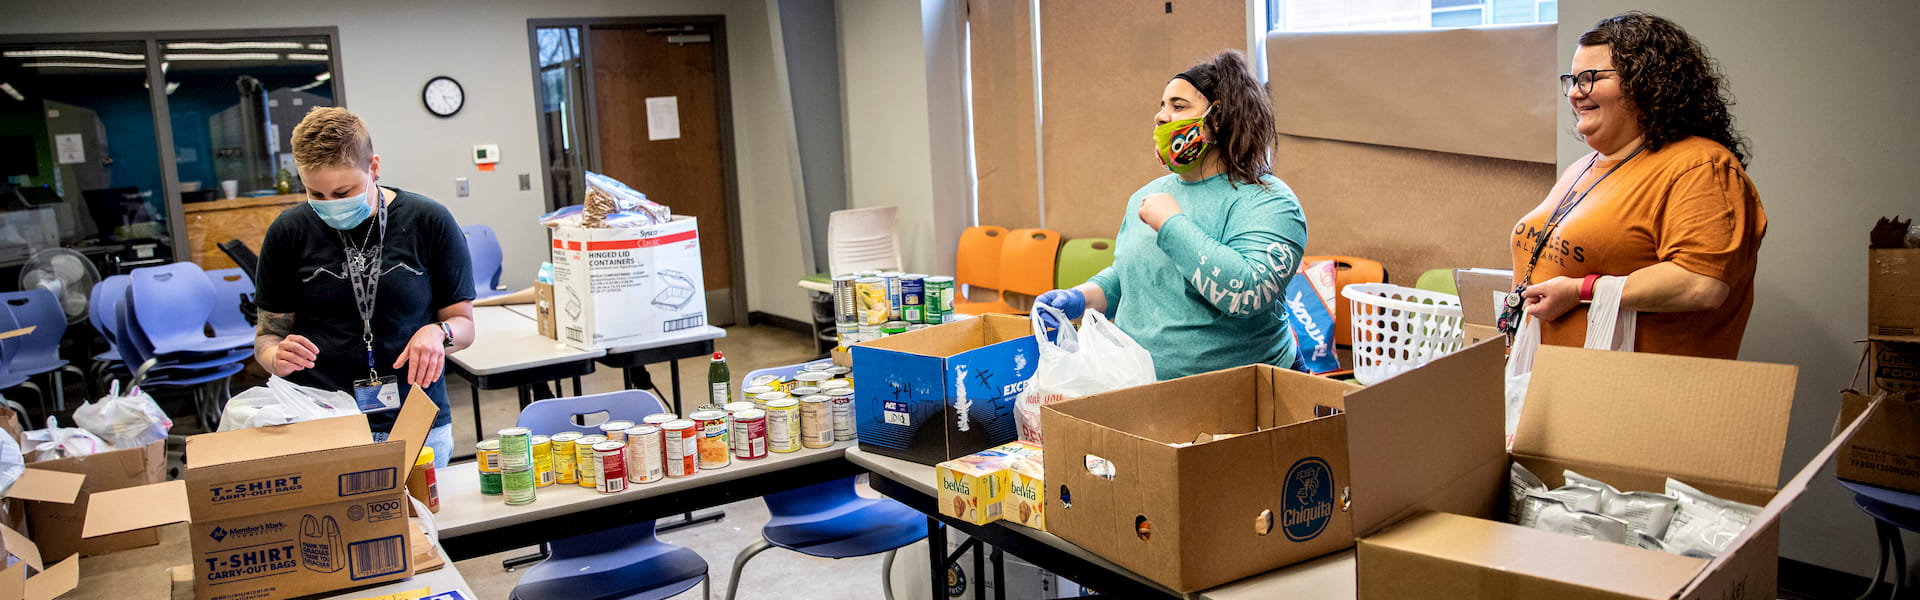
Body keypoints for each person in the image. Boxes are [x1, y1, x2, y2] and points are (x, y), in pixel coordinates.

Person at [1507, 12, 1766, 359]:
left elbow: (1702, 284)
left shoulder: (1702, 167)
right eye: (1572, 79)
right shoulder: (1581, 169)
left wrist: (1580, 290)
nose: (1575, 94)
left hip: (1639, 398)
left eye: (1590, 78)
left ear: (1647, 81)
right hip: (1552, 387)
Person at [1034, 50, 1306, 380]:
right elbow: (1128, 277)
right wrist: (1079, 298)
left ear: (1217, 119)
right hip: (1150, 389)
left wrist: (1172, 225)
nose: (1160, 117)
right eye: (1163, 106)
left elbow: (1246, 294)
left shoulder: (1268, 201)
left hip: (1248, 394)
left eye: (1178, 106)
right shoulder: (1148, 195)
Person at [253, 107, 476, 467]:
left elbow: (464, 327)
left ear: (374, 167)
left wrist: (438, 332)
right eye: (316, 194)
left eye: (344, 191)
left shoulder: (428, 221)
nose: (331, 205)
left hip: (416, 422)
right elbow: (266, 336)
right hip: (323, 423)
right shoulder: (288, 232)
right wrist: (275, 357)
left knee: (421, 521)